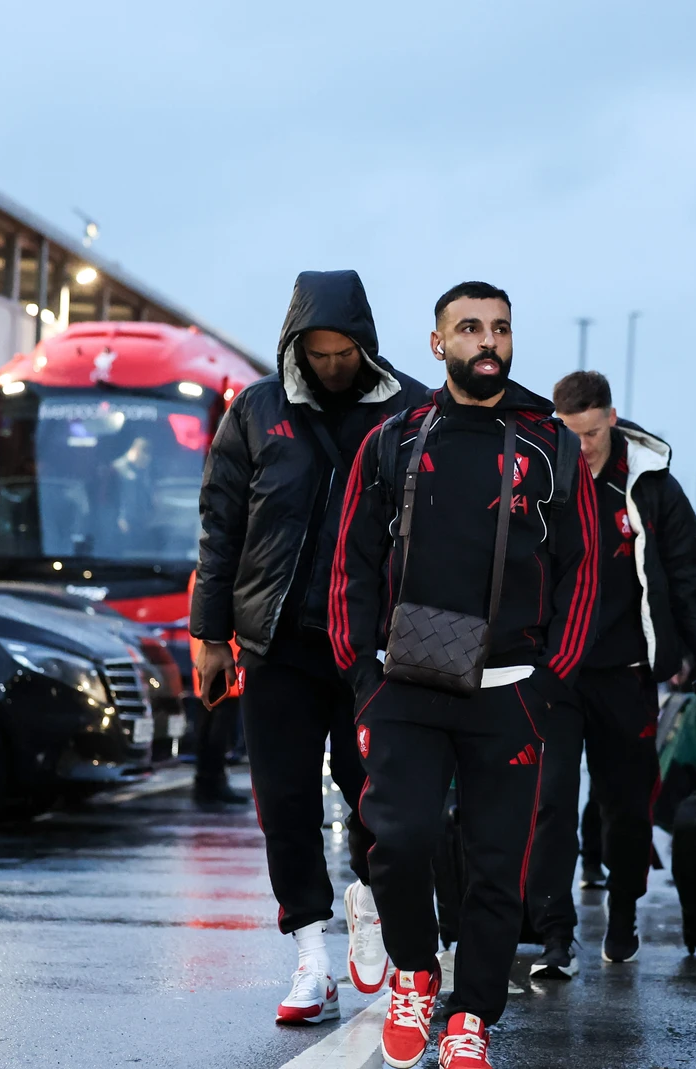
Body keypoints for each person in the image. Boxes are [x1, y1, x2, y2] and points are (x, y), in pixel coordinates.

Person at [331, 281, 598, 1069]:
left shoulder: (550, 444)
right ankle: (414, 969)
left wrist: (552, 675)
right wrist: (359, 669)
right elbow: (352, 558)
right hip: (407, 683)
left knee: (495, 869)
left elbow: (581, 569)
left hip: (511, 688)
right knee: (401, 840)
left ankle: (471, 1016)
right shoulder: (395, 439)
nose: (489, 341)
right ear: (438, 342)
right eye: (471, 327)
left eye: (502, 328)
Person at [191, 269, 429, 1025]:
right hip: (276, 642)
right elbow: (221, 527)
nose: (332, 365)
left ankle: (369, 896)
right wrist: (208, 633)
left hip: (371, 648)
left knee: (378, 797)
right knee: (284, 802)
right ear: (296, 344)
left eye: (344, 351)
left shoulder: (413, 410)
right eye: (318, 352)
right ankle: (310, 958)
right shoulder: (257, 410)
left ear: (366, 342)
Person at [523, 370, 696, 977]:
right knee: (551, 804)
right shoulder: (543, 477)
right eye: (569, 433)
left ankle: (622, 914)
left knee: (625, 808)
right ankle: (556, 936)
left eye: (591, 432)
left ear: (611, 419)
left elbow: (689, 574)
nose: (581, 445)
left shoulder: (650, 485)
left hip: (627, 673)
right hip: (554, 675)